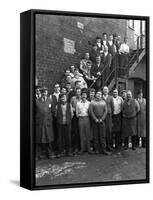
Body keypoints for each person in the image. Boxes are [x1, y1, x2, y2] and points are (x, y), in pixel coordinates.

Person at [36, 87, 54, 159]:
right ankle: (37, 154)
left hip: (48, 123)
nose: (44, 93)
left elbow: (52, 111)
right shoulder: (36, 101)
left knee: (48, 139)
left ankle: (49, 153)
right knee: (39, 139)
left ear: (47, 93)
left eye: (45, 92)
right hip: (39, 123)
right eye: (42, 92)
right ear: (41, 93)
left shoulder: (50, 101)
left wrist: (50, 120)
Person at [89, 90, 110, 155]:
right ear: (96, 95)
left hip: (102, 121)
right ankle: (97, 150)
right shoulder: (92, 102)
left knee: (102, 136)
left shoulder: (103, 102)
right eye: (98, 94)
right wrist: (95, 119)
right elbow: (91, 111)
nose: (99, 95)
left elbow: (106, 111)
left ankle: (104, 149)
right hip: (95, 121)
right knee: (95, 136)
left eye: (100, 94)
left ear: (101, 95)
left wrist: (102, 119)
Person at [76, 89, 92, 154]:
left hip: (87, 119)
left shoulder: (89, 103)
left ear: (86, 96)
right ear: (81, 96)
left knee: (88, 134)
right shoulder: (78, 103)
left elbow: (90, 112)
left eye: (85, 95)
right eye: (83, 95)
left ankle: (88, 148)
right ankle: (82, 149)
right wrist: (80, 115)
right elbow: (77, 114)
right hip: (80, 119)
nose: (84, 96)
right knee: (81, 134)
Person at [102, 86, 114, 151]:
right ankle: (104, 146)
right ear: (103, 91)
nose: (105, 91)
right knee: (103, 131)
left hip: (109, 116)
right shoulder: (101, 97)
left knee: (109, 131)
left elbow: (113, 107)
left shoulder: (110, 97)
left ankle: (109, 146)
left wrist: (111, 115)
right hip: (102, 116)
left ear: (108, 91)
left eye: (106, 89)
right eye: (104, 89)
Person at [70, 88, 82, 154]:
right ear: (75, 92)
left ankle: (81, 147)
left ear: (80, 92)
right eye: (77, 92)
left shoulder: (82, 98)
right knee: (75, 132)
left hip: (80, 116)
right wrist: (73, 109)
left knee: (80, 131)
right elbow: (70, 106)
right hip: (74, 116)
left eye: (79, 92)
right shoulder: (73, 98)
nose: (78, 93)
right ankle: (75, 147)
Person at [50, 83, 60, 154]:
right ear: (54, 88)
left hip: (61, 116)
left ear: (59, 88)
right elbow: (50, 106)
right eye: (55, 87)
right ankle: (55, 147)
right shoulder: (51, 96)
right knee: (55, 132)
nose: (57, 88)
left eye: (58, 87)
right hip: (54, 116)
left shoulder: (62, 95)